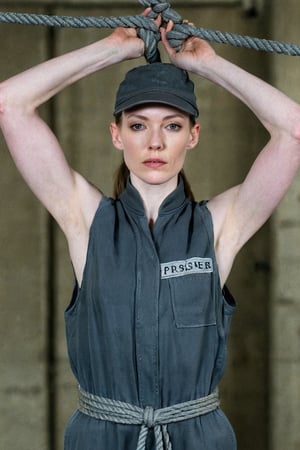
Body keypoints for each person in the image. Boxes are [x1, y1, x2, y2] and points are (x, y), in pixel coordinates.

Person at [0, 7, 300, 450]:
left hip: (199, 438)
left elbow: (293, 131)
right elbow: (10, 104)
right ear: (117, 134)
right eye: (138, 126)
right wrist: (112, 49)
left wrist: (206, 64)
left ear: (193, 135)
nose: (155, 143)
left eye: (172, 126)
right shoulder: (85, 219)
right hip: (100, 438)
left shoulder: (220, 225)